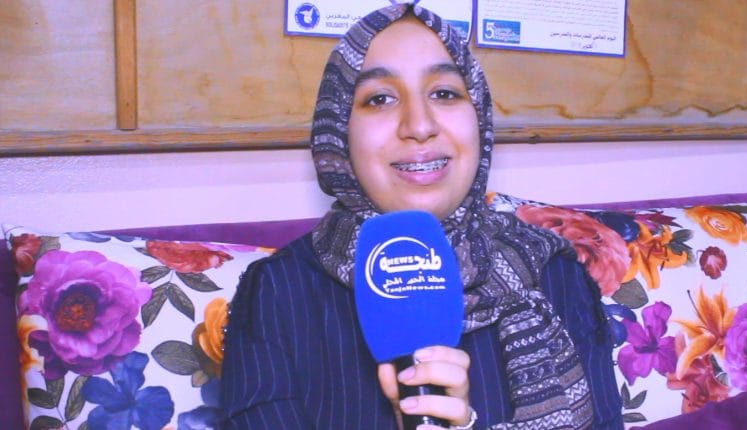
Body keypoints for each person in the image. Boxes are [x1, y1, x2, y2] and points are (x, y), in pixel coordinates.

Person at [221, 3, 623, 429]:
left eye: (444, 93)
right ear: (338, 132)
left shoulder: (556, 274)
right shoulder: (279, 291)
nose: (419, 124)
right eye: (380, 99)